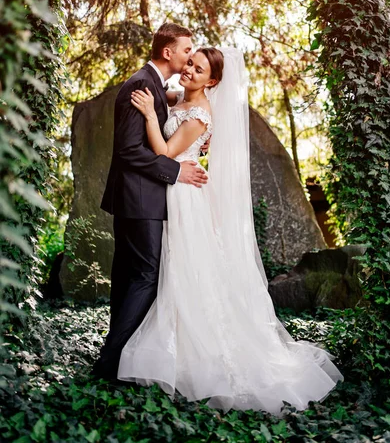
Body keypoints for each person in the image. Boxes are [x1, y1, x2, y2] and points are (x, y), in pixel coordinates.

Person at [117, 47, 343, 415]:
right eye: (189, 62)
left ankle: (198, 355)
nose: (189, 68)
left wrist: (146, 115)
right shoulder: (183, 99)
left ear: (214, 81)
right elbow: (173, 100)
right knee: (178, 272)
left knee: (185, 272)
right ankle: (177, 346)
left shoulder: (201, 114)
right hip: (176, 194)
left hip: (185, 195)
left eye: (199, 68)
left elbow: (165, 151)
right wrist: (160, 98)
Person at [92, 22, 208, 380]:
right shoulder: (142, 84)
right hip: (139, 198)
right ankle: (111, 362)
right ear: (168, 52)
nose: (190, 56)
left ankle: (117, 355)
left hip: (137, 198)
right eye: (187, 50)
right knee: (144, 275)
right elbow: (129, 150)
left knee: (130, 275)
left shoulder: (155, 87)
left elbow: (179, 111)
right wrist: (176, 172)